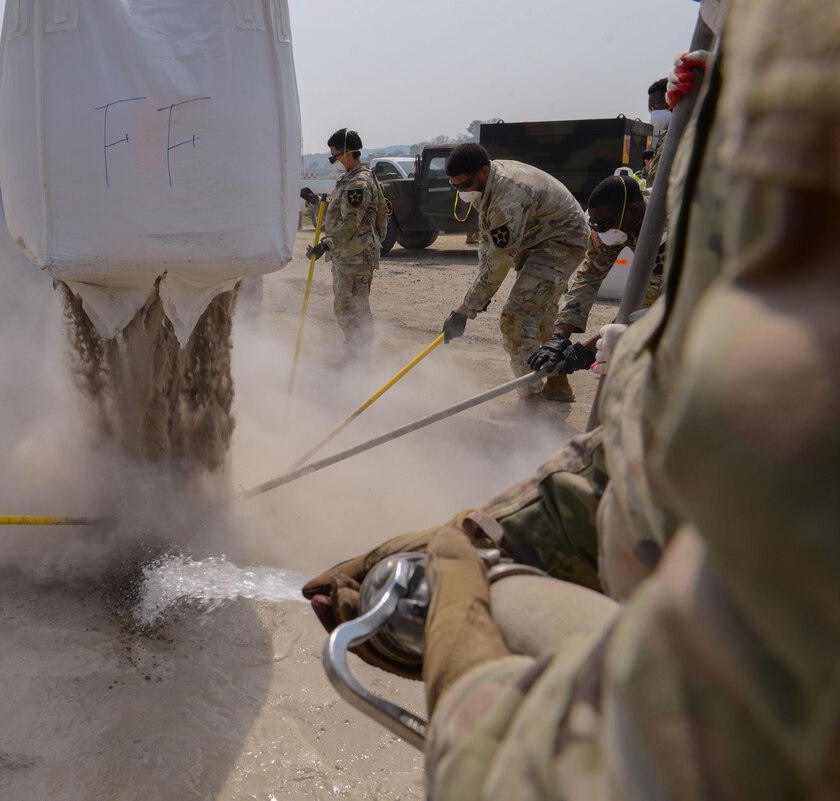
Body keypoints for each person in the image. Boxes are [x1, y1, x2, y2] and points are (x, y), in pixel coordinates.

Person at [305, 0, 840, 796]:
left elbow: (500, 265)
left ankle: (540, 398)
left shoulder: (518, 196)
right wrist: (500, 524)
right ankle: (551, 379)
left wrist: (466, 310)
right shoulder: (694, 160)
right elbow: (643, 348)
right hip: (662, 525)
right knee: (556, 328)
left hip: (702, 706)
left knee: (521, 313)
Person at [439, 143, 588, 402]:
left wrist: (465, 310)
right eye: (455, 187)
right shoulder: (489, 183)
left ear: (483, 171)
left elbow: (499, 263)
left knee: (516, 318)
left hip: (561, 243)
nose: (461, 191)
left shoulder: (508, 198)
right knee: (541, 314)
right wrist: (478, 297)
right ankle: (557, 385)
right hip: (541, 240)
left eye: (464, 185)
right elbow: (488, 247)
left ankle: (532, 403)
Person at [526, 174, 665, 381]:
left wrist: (589, 349)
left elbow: (652, 301)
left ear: (633, 211)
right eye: (596, 225)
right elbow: (589, 277)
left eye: (605, 225)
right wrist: (560, 336)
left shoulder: (667, 231)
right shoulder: (612, 223)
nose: (601, 232)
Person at [304, 128, 388, 365]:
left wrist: (326, 245)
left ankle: (357, 361)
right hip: (350, 254)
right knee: (346, 307)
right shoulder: (352, 178)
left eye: (335, 156)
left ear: (349, 153)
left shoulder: (358, 182)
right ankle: (354, 356)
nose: (335, 162)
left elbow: (351, 222)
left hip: (355, 256)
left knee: (352, 310)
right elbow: (340, 211)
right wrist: (314, 201)